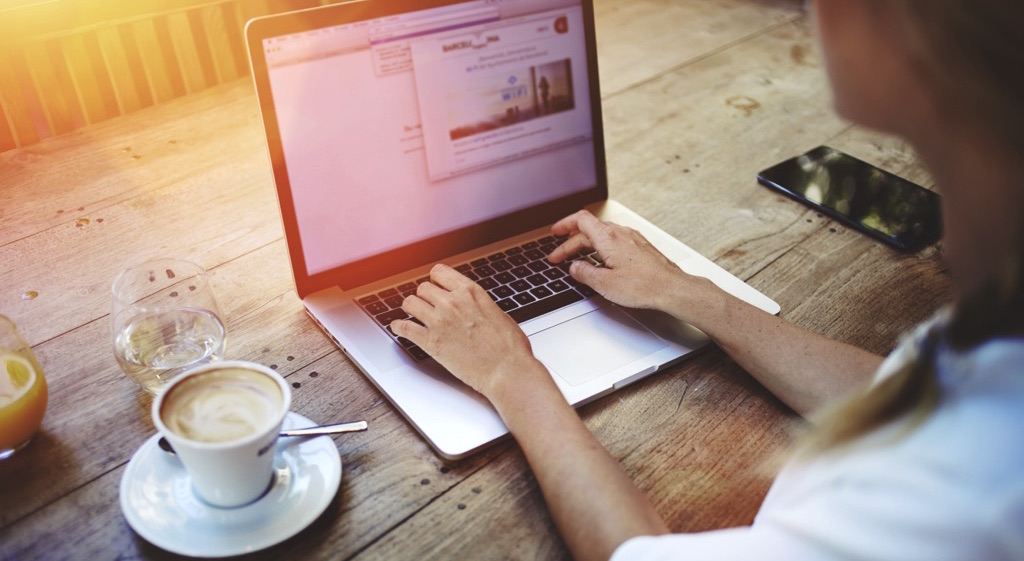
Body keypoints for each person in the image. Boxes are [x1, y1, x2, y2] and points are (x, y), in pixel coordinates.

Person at [391, 0, 1024, 559]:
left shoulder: (963, 501)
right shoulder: (1000, 325)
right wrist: (686, 293)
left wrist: (510, 375)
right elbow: (910, 395)